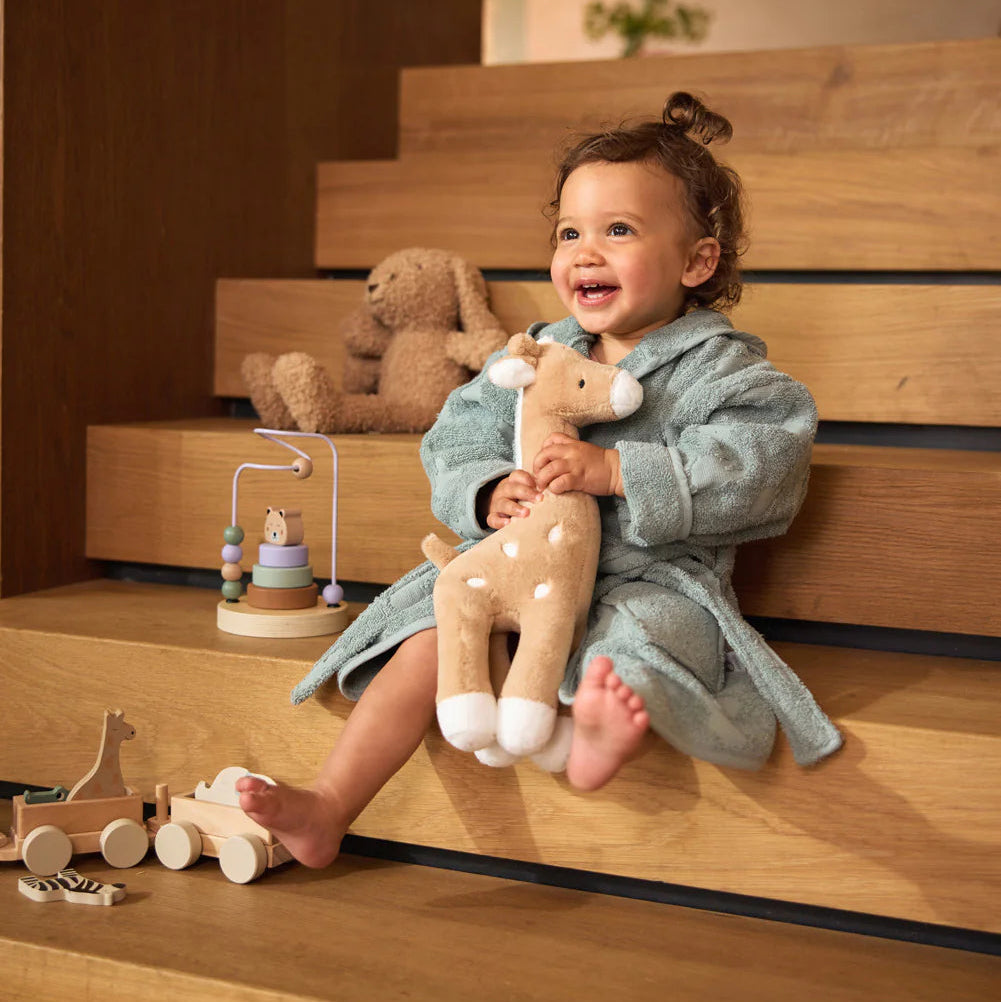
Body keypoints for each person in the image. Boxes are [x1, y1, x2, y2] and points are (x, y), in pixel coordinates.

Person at [237, 92, 842, 869]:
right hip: (518, 565)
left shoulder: (724, 371)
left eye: (617, 230)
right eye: (569, 232)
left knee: (639, 642)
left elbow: (767, 465)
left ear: (697, 260)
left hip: (646, 575)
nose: (584, 252)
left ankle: (594, 735)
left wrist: (624, 470)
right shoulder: (537, 350)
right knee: (428, 633)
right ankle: (329, 806)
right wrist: (485, 488)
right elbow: (457, 431)